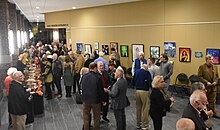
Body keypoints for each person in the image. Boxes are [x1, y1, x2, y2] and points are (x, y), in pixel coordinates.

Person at [81, 62, 104, 130]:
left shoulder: (84, 76)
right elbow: (100, 90)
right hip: (95, 101)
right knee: (96, 118)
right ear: (95, 68)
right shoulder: (98, 77)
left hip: (86, 100)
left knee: (86, 117)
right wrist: (102, 100)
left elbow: (82, 87)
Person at [198, 54, 220, 119]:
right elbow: (199, 76)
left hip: (213, 87)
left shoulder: (215, 67)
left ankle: (213, 112)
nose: (211, 61)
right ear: (207, 60)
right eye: (210, 59)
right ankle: (205, 113)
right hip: (205, 88)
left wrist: (215, 82)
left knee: (213, 101)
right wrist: (206, 82)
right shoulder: (202, 67)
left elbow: (217, 77)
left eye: (212, 59)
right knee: (204, 101)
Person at [132, 64, 152, 130]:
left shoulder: (136, 72)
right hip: (145, 91)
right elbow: (150, 82)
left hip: (137, 91)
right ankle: (145, 125)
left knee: (138, 108)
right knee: (146, 108)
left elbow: (133, 81)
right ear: (146, 68)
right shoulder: (147, 72)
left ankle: (138, 124)